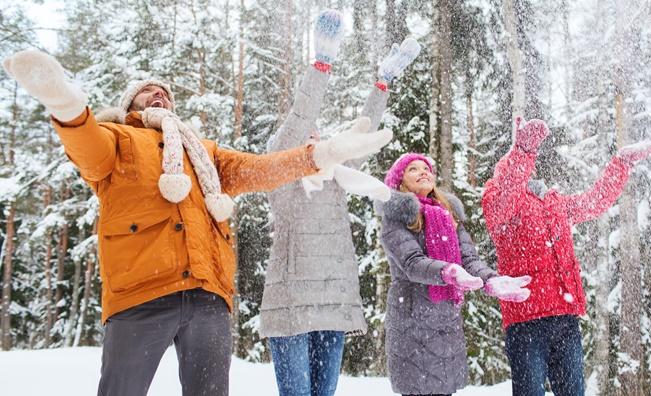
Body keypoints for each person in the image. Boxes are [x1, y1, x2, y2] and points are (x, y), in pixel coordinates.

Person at [1, 48, 392, 396]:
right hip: (141, 294)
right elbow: (86, 149)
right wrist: (68, 107)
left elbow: (260, 169)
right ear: (129, 105)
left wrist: (321, 153)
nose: (160, 94)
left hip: (207, 294)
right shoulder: (117, 138)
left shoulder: (203, 153)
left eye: (165, 92)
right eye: (148, 91)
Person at [258, 9, 421, 396]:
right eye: (305, 136)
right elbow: (300, 116)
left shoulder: (338, 180)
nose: (314, 136)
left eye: (319, 134)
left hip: (334, 306)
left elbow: (363, 131)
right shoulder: (282, 184)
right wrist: (322, 62)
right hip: (292, 309)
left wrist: (382, 84)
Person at [481, 117, 651, 396]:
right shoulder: (498, 201)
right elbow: (507, 194)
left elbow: (595, 201)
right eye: (514, 164)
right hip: (526, 321)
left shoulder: (554, 204)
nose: (520, 170)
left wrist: (621, 164)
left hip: (565, 318)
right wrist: (522, 151)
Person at [377, 153, 533, 396]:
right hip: (411, 323)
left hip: (445, 321)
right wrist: (448, 272)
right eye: (413, 169)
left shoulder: (447, 215)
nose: (423, 172)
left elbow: (468, 260)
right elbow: (412, 263)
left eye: (426, 168)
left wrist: (490, 279)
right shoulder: (395, 220)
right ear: (400, 183)